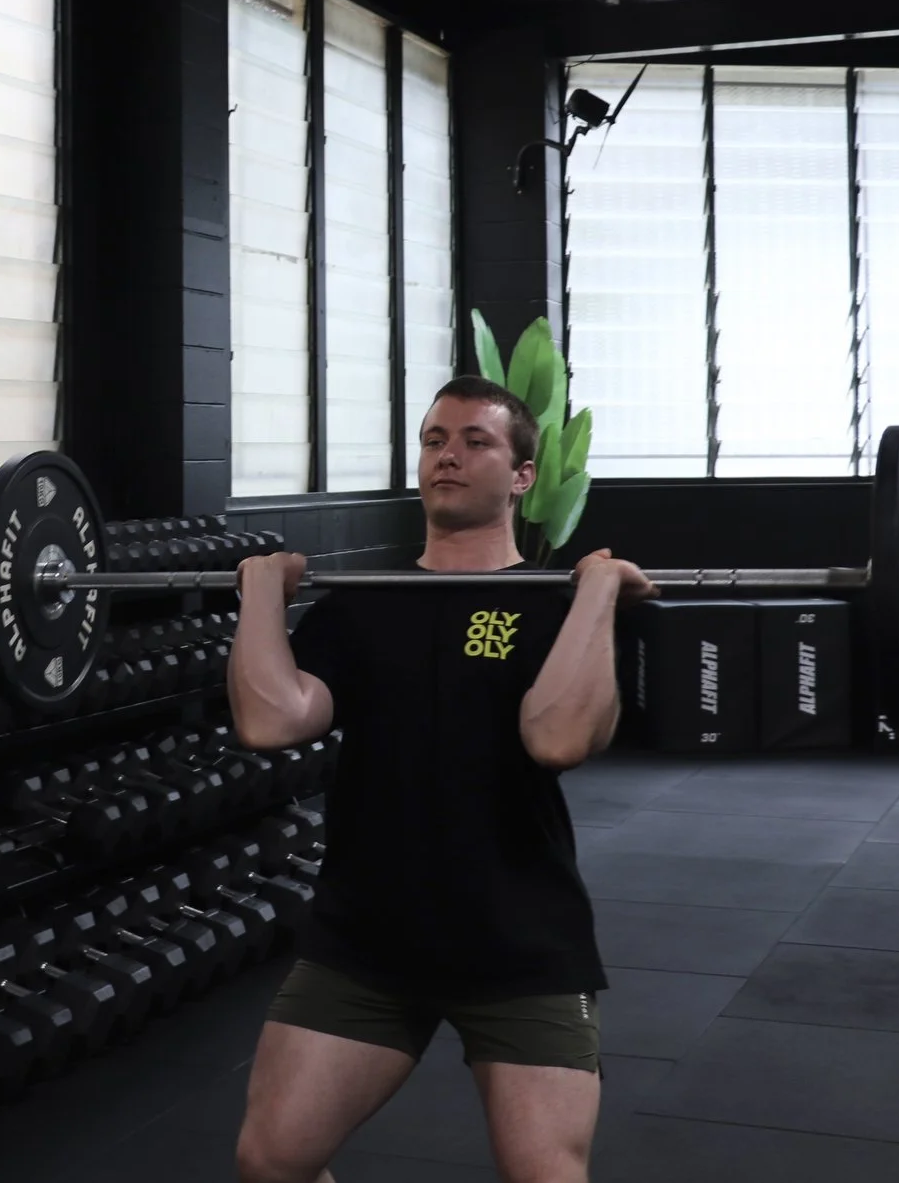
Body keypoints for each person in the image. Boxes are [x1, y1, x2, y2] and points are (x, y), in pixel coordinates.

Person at [226, 375, 654, 1183]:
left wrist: (595, 590)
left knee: (546, 1175)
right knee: (271, 1160)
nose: (447, 455)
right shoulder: (360, 606)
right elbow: (271, 719)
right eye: (434, 440)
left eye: (475, 441)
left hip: (521, 936)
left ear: (523, 476)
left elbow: (558, 737)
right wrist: (257, 596)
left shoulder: (558, 605)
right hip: (367, 936)